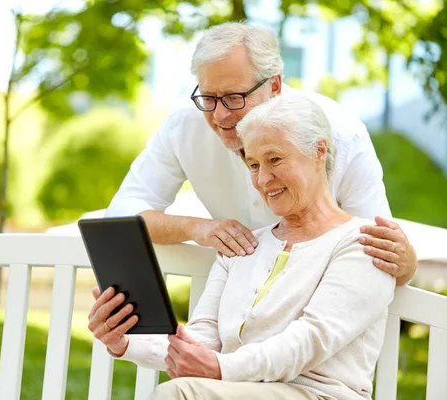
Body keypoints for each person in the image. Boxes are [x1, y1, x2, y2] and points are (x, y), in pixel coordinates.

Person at [89, 94, 396, 400]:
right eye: (253, 164)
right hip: (235, 391)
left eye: (275, 159)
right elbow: (203, 337)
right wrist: (126, 340)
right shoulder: (246, 243)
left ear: (318, 150)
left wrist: (222, 369)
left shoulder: (365, 244)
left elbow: (310, 339)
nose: (263, 179)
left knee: (179, 393)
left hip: (317, 394)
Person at [105, 22, 417, 285]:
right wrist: (197, 228)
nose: (220, 115)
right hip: (237, 315)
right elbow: (119, 218)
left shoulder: (342, 133)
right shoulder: (182, 127)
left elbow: (383, 250)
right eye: (209, 97)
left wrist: (406, 263)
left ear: (275, 86)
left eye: (234, 97)